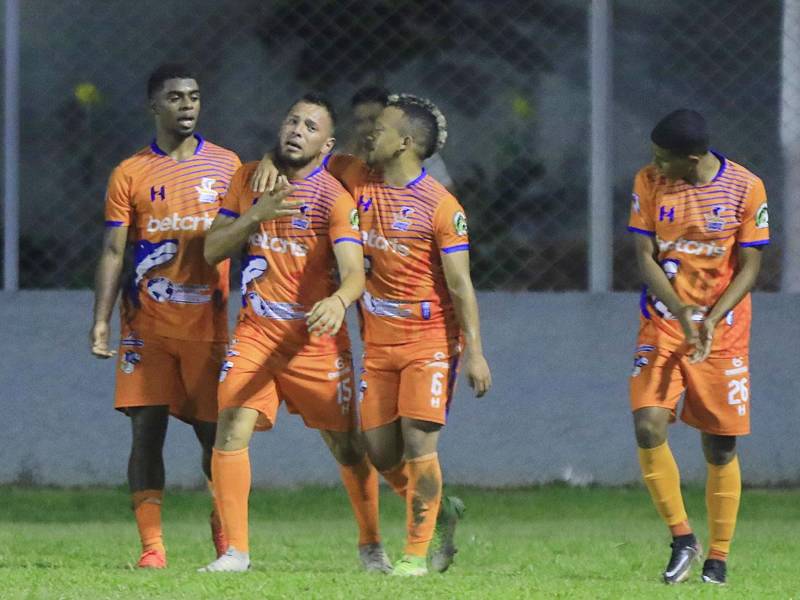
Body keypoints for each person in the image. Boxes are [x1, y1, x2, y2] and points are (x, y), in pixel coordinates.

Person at [258, 94, 490, 576]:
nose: (368, 133)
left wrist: (475, 353)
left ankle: (415, 555)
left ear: (405, 142)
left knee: (419, 442)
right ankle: (438, 511)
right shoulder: (354, 173)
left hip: (429, 342)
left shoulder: (442, 207)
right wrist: (266, 160)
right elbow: (298, 155)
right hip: (379, 344)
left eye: (379, 128)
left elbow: (461, 284)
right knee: (381, 452)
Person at [198, 93, 392, 574]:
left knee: (346, 446)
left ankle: (371, 546)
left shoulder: (335, 197)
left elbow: (353, 272)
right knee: (231, 425)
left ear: (326, 144)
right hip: (256, 334)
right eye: (291, 120)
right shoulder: (247, 179)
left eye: (309, 126)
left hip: (314, 341)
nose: (296, 130)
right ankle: (235, 553)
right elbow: (210, 251)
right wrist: (255, 217)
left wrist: (338, 300)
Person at [90, 63, 241, 568]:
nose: (188, 105)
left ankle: (226, 540)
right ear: (154, 105)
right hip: (146, 327)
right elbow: (114, 250)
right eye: (175, 97)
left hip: (207, 327)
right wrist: (101, 320)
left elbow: (247, 236)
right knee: (146, 431)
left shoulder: (227, 166)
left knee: (214, 436)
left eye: (194, 96)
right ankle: (152, 548)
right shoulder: (130, 172)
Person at [627, 109, 769, 585]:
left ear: (691, 158)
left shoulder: (746, 188)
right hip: (664, 321)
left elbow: (750, 265)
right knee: (648, 424)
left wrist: (710, 316)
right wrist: (682, 311)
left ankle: (718, 558)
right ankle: (682, 537)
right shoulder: (648, 182)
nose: (655, 165)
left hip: (723, 331)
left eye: (663, 159)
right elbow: (643, 256)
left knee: (721, 446)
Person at [348, 86, 455, 191]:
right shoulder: (346, 158)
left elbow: (447, 193)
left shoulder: (419, 157)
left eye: (374, 120)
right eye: (359, 121)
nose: (366, 128)